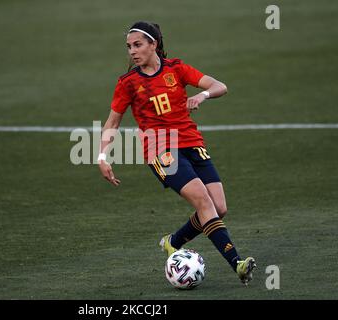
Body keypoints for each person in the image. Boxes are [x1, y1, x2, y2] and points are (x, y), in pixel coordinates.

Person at [98, 21, 256, 285]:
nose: (132, 52)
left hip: (192, 143)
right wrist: (102, 157)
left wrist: (202, 95)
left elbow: (220, 86)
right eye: (129, 47)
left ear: (154, 44)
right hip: (160, 149)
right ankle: (237, 263)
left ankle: (173, 242)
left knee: (219, 207)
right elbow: (112, 123)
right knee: (204, 202)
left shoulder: (176, 69)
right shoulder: (128, 83)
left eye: (138, 45)